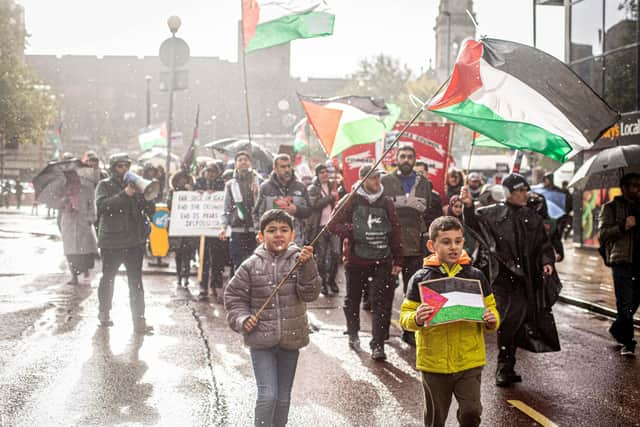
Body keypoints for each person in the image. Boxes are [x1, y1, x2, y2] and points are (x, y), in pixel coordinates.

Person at [400, 216, 499, 427]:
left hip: (469, 360)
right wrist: (417, 317)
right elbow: (404, 316)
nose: (453, 247)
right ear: (431, 245)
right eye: (446, 242)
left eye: (458, 241)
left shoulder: (476, 276)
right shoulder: (421, 278)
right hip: (433, 362)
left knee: (471, 412)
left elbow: (491, 310)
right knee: (436, 419)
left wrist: (492, 320)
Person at [224, 209, 320, 427]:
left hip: (291, 339)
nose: (278, 234)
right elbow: (234, 298)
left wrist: (308, 265)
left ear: (292, 235)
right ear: (260, 236)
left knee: (283, 398)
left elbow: (310, 294)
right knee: (268, 396)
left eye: (284, 230)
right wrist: (242, 319)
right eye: (272, 230)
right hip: (261, 342)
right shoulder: (250, 265)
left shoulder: (299, 260)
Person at [461, 173, 556, 387]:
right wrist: (467, 206)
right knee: (509, 319)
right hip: (503, 278)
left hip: (527, 279)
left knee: (522, 320)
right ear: (508, 193)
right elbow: (474, 224)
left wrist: (547, 261)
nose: (524, 194)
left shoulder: (532, 217)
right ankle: (503, 366)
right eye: (519, 190)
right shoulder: (493, 213)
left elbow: (543, 244)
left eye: (525, 190)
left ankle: (508, 366)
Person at [329, 165, 402, 360]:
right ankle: (353, 333)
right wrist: (353, 231)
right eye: (372, 178)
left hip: (382, 260)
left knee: (382, 301)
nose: (377, 182)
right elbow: (332, 224)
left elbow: (395, 230)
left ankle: (378, 345)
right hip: (356, 261)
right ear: (362, 179)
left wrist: (398, 259)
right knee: (353, 299)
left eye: (378, 178)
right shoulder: (351, 199)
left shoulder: (386, 202)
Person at [381, 145, 442, 346]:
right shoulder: (385, 181)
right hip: (391, 244)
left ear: (415, 160)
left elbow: (425, 209)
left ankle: (409, 331)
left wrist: (401, 203)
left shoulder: (424, 183)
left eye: (410, 157)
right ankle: (381, 333)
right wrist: (408, 203)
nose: (406, 160)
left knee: (412, 291)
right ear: (397, 159)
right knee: (386, 290)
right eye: (403, 156)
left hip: (416, 244)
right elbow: (385, 208)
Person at [95, 153, 155, 334]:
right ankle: (104, 312)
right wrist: (125, 194)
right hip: (112, 242)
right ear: (113, 168)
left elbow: (149, 210)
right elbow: (103, 207)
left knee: (136, 283)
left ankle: (139, 321)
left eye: (126, 166)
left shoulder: (137, 185)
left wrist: (147, 197)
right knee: (108, 278)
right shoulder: (104, 185)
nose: (124, 170)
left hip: (134, 242)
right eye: (120, 166)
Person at [599, 172, 640, 357]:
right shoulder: (611, 208)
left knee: (633, 303)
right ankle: (628, 342)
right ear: (623, 187)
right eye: (632, 185)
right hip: (622, 262)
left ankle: (617, 329)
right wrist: (624, 226)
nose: (636, 189)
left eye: (639, 185)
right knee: (625, 304)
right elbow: (603, 234)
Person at [254, 154, 311, 247]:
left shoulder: (300, 187)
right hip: (272, 241)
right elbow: (256, 214)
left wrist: (296, 210)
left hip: (295, 241)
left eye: (289, 166)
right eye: (283, 167)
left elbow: (309, 211)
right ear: (275, 168)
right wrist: (259, 233)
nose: (287, 170)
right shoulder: (265, 188)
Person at [220, 151, 261, 273]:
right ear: (236, 164)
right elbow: (226, 207)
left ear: (250, 163)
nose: (243, 162)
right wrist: (223, 227)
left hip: (255, 230)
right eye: (240, 160)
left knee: (255, 264)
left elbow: (262, 205)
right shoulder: (230, 185)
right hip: (237, 230)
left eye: (246, 160)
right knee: (238, 263)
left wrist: (257, 192)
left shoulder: (258, 181)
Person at [194, 161, 227, 302]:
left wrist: (217, 194)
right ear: (204, 172)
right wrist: (197, 193)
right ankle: (203, 287)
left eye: (213, 171)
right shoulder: (198, 184)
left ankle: (216, 286)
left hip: (216, 228)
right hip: (202, 229)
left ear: (217, 173)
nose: (210, 174)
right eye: (208, 171)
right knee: (203, 259)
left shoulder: (223, 185)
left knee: (218, 259)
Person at [306, 163, 340, 295]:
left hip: (333, 226)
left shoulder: (333, 186)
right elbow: (315, 205)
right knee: (321, 257)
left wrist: (337, 196)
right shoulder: (313, 189)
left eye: (326, 172)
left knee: (336, 254)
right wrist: (331, 197)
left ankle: (332, 280)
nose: (325, 174)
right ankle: (323, 283)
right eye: (322, 172)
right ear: (317, 174)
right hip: (319, 227)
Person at [167, 170, 196, 287]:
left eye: (184, 179)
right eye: (180, 179)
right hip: (177, 229)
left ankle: (187, 277)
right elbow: (169, 205)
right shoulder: (172, 193)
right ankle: (179, 276)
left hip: (188, 229)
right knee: (178, 254)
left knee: (188, 254)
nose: (182, 181)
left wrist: (191, 193)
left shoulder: (192, 192)